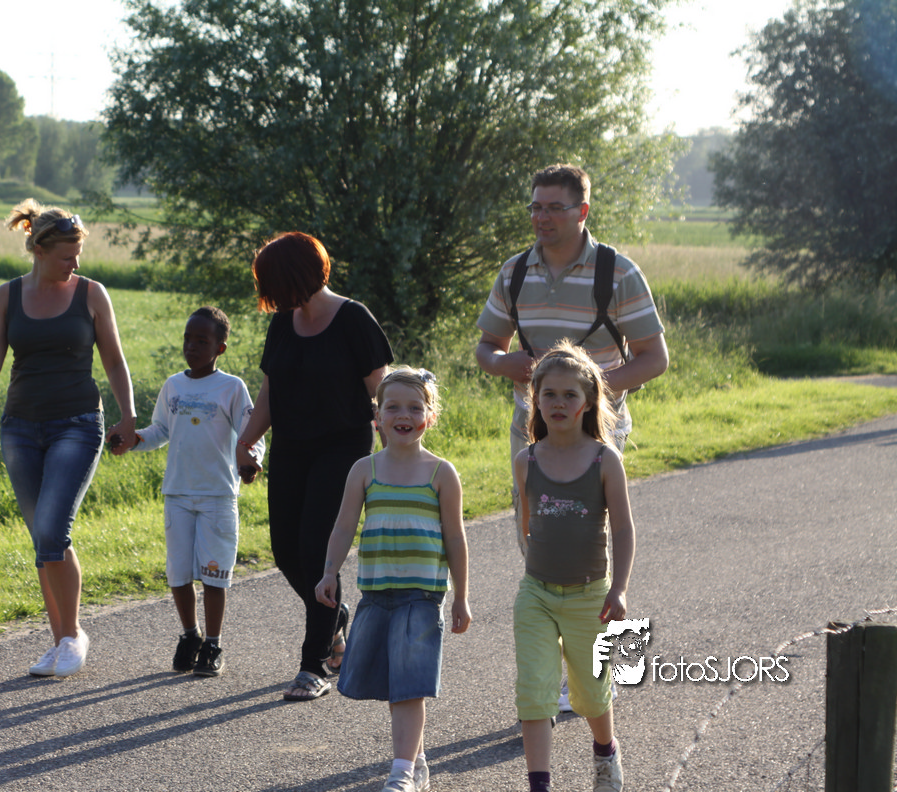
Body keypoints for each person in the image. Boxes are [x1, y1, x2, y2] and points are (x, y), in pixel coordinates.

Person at [0, 199, 135, 679]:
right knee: (42, 541)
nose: (76, 264)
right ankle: (61, 641)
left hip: (78, 424)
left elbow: (114, 360)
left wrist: (129, 416)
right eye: (67, 256)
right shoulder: (7, 297)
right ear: (39, 250)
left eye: (78, 254)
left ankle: (72, 637)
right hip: (20, 428)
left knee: (52, 529)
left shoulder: (91, 294)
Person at [474, 164, 667, 555]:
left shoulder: (618, 273)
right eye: (536, 207)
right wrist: (501, 363)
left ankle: (604, 595)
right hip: (529, 425)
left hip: (597, 427)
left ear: (583, 211)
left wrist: (585, 392)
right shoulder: (514, 272)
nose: (542, 217)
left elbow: (654, 359)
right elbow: (487, 346)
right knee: (533, 530)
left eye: (554, 208)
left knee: (586, 534)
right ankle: (540, 594)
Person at [234, 231, 394, 702]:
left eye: (269, 281)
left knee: (317, 552)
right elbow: (270, 392)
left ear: (294, 276)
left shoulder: (353, 319)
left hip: (342, 448)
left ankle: (313, 665)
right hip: (290, 447)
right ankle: (335, 618)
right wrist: (246, 441)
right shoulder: (283, 323)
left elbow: (384, 393)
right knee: (285, 551)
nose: (266, 293)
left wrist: (395, 457)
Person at [315, 367, 471, 792]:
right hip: (377, 593)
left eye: (415, 408)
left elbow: (456, 538)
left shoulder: (441, 473)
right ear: (378, 416)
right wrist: (329, 572)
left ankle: (401, 773)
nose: (404, 415)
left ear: (430, 417)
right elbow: (344, 526)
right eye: (394, 407)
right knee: (395, 683)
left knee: (409, 687)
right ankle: (414, 756)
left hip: (422, 596)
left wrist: (462, 596)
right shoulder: (364, 470)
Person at [512, 341, 636, 792]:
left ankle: (605, 752)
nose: (559, 403)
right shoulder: (527, 460)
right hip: (536, 595)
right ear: (536, 399)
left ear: (587, 401)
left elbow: (622, 528)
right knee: (534, 692)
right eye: (549, 394)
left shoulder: (605, 459)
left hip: (591, 598)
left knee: (590, 696)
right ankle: (539, 784)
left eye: (569, 395)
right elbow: (528, 527)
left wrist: (618, 588)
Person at [121, 306, 264, 678]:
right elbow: (159, 431)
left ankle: (213, 644)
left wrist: (251, 461)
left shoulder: (232, 387)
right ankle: (190, 636)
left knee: (214, 574)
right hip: (178, 494)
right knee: (178, 574)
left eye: (202, 341)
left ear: (220, 348)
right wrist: (134, 440)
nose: (192, 347)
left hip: (218, 495)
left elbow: (252, 434)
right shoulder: (174, 386)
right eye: (188, 339)